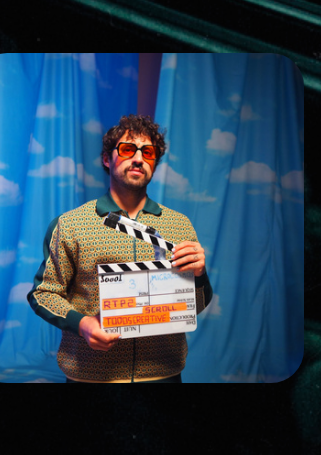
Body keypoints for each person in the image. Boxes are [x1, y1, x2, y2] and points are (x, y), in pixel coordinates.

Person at [27, 114, 214, 382]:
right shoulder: (70, 225)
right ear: (107, 159)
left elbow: (196, 305)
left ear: (154, 164)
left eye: (148, 153)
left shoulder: (179, 225)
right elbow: (43, 293)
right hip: (91, 373)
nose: (138, 158)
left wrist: (199, 276)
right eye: (127, 149)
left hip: (163, 372)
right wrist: (82, 324)